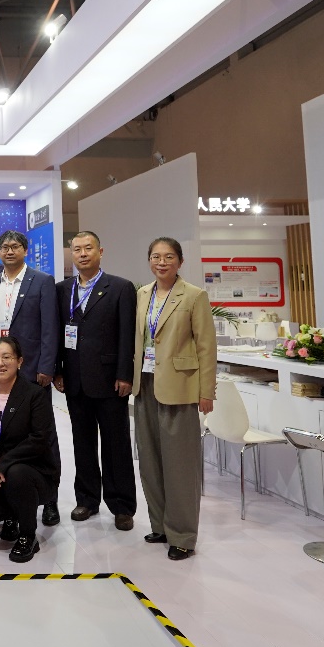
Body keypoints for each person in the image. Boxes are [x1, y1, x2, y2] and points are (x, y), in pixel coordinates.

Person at [133, 236, 216, 561]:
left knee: (180, 465)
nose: (162, 262)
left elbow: (206, 346)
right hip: (145, 385)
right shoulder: (143, 294)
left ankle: (182, 535)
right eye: (156, 256)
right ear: (149, 261)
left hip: (180, 386)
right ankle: (160, 526)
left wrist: (206, 391)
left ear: (180, 261)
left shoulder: (194, 295)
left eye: (169, 257)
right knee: (150, 460)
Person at [54, 231, 138, 531]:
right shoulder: (62, 289)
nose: (82, 254)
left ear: (100, 251)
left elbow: (128, 335)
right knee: (82, 443)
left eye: (88, 248)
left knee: (116, 444)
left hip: (109, 380)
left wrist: (125, 374)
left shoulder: (120, 287)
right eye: (77, 249)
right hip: (75, 380)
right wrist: (58, 370)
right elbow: (58, 333)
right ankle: (87, 500)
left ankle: (122, 505)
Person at [0, 229, 62, 525]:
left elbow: (50, 327)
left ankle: (50, 499)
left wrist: (47, 366)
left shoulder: (41, 281)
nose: (9, 251)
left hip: (32, 371)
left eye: (15, 246)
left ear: (25, 250)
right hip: (2, 370)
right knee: (7, 434)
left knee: (44, 436)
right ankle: (12, 497)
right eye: (4, 247)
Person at [0, 337, 60, 563]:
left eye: (6, 357)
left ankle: (28, 536)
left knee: (17, 473)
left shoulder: (35, 395)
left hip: (33, 473)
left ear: (19, 361)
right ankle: (13, 515)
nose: (0, 363)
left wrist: (4, 465)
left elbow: (39, 439)